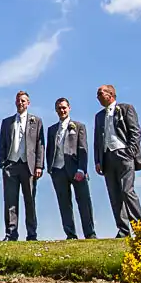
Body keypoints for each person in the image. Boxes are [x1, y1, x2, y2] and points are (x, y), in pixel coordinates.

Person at [93, 84, 141, 238]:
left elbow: (135, 132)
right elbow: (97, 140)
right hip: (107, 157)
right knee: (114, 194)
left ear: (111, 94)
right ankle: (123, 230)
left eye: (100, 93)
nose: (97, 97)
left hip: (124, 155)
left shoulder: (125, 109)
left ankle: (140, 228)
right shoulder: (99, 116)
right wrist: (98, 160)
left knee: (127, 191)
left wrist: (130, 152)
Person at [45, 97, 96, 240]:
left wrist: (82, 169)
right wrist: (51, 169)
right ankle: (70, 234)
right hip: (58, 170)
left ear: (69, 108)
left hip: (75, 170)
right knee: (64, 203)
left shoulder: (78, 126)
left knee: (84, 201)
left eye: (64, 107)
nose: (62, 110)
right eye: (59, 108)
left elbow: (83, 148)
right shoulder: (52, 130)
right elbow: (49, 150)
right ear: (56, 110)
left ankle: (90, 233)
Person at [0, 90, 45, 241]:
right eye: (18, 100)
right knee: (10, 201)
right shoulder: (7, 122)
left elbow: (40, 145)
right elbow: (3, 144)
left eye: (23, 101)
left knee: (30, 201)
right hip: (11, 165)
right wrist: (3, 163)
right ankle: (11, 234)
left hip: (28, 166)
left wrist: (39, 166)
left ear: (28, 103)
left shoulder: (36, 121)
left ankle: (32, 234)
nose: (20, 103)